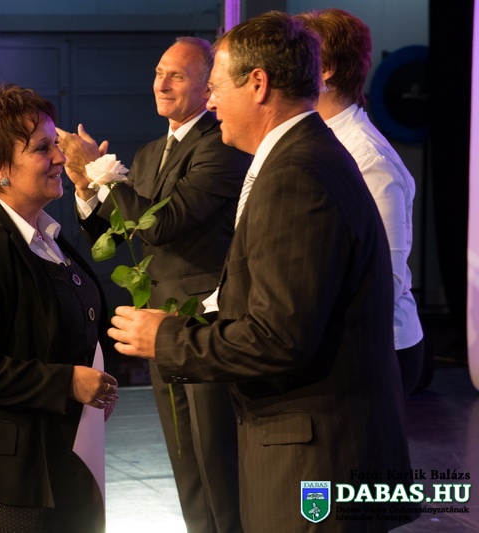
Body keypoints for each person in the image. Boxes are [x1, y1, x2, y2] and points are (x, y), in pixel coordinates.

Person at [108, 12, 417, 532]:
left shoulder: (296, 172)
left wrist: (167, 338)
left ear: (258, 84)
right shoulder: (301, 155)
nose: (210, 104)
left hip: (312, 454)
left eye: (215, 88)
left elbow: (279, 338)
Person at [58, 36, 251, 533]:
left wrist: (99, 169)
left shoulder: (220, 147)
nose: (161, 84)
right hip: (158, 326)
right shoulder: (148, 155)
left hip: (203, 323)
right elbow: (117, 238)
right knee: (185, 461)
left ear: (207, 87)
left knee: (216, 461)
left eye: (177, 76)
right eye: (159, 72)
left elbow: (162, 225)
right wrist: (85, 188)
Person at [0, 84, 117, 533]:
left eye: (56, 144)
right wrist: (68, 382)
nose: (60, 158)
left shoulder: (45, 236)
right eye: (42, 148)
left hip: (54, 456)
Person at [296, 8, 425, 397]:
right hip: (340, 342)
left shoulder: (368, 158)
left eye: (297, 56)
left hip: (377, 348)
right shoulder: (319, 139)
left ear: (325, 70)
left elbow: (387, 277)